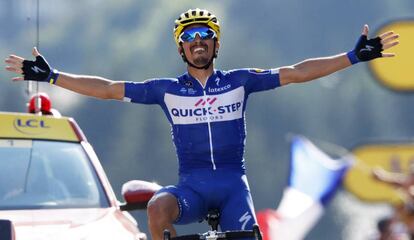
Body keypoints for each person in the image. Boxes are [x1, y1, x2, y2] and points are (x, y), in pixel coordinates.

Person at [4, 8, 399, 240]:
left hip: (232, 187)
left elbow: (296, 72)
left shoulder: (240, 81)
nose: (198, 41)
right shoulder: (166, 90)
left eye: (205, 36)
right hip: (191, 186)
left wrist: (353, 56)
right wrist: (53, 76)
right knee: (158, 207)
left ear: (215, 45)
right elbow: (107, 89)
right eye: (190, 36)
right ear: (181, 47)